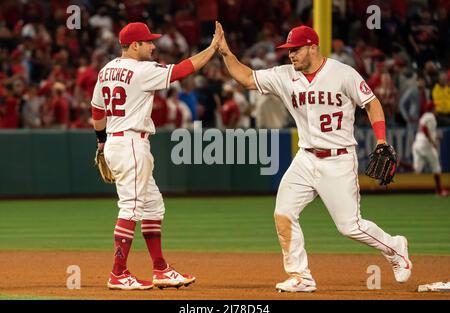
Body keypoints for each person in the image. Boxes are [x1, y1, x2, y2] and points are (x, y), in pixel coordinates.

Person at [216, 23, 412, 292]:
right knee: (283, 213)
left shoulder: (343, 73)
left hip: (338, 159)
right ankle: (300, 276)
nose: (291, 55)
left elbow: (372, 103)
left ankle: (395, 247)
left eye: (296, 49)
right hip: (305, 158)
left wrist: (381, 140)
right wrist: (226, 53)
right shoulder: (285, 75)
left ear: (312, 47)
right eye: (288, 50)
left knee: (350, 226)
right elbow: (247, 78)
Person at [91, 21, 223, 290]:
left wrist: (102, 143)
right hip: (131, 144)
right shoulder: (142, 70)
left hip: (117, 142)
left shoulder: (106, 70)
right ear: (135, 45)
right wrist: (212, 48)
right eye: (148, 42)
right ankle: (118, 272)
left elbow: (96, 110)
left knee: (152, 206)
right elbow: (184, 69)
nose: (153, 46)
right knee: (131, 207)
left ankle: (160, 268)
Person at [412, 103, 448, 197]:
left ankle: (400, 163)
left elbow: (426, 129)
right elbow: (425, 129)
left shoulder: (424, 116)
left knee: (417, 170)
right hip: (426, 145)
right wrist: (432, 141)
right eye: (435, 108)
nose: (436, 110)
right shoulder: (431, 116)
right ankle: (440, 191)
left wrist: (435, 138)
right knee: (436, 167)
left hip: (417, 144)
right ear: (432, 109)